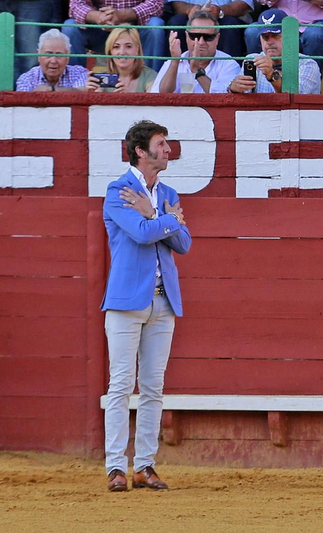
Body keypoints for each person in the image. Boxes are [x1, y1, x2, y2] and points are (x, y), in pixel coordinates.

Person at [100, 118, 188, 492]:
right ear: (141, 150)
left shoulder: (167, 192)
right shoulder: (117, 190)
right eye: (162, 143)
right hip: (126, 301)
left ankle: (145, 466)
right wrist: (166, 222)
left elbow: (184, 244)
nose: (168, 149)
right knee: (121, 385)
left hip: (162, 302)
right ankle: (116, 467)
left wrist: (155, 216)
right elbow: (139, 235)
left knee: (153, 386)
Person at [87, 25, 156, 93]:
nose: (122, 52)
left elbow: (153, 102)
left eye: (128, 46)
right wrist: (93, 95)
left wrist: (128, 98)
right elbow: (77, 91)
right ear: (110, 51)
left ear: (137, 50)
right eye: (116, 47)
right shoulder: (100, 78)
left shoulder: (150, 76)